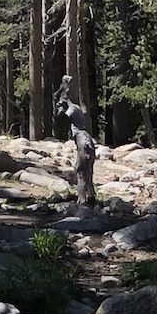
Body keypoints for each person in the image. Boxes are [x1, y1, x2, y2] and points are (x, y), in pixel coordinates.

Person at [54, 74, 96, 211]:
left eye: (61, 106)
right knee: (88, 170)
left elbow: (60, 117)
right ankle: (91, 196)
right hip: (87, 139)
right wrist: (63, 87)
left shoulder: (70, 110)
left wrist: (59, 103)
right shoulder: (76, 107)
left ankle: (82, 200)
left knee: (80, 169)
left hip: (82, 140)